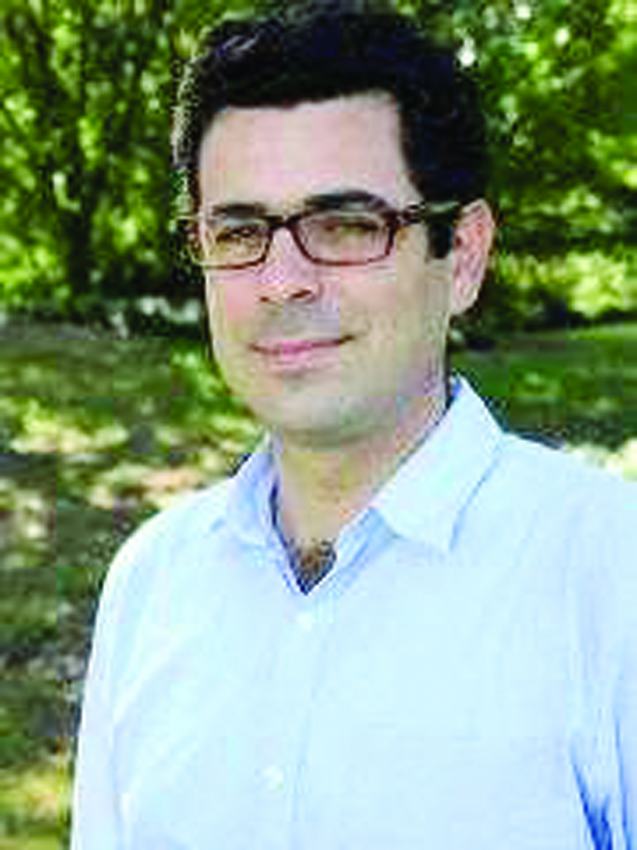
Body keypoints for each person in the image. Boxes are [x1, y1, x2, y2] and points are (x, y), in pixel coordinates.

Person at [71, 6, 636, 849]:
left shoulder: (610, 575)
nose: (281, 280)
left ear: (463, 255)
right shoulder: (150, 582)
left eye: (344, 225)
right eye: (239, 231)